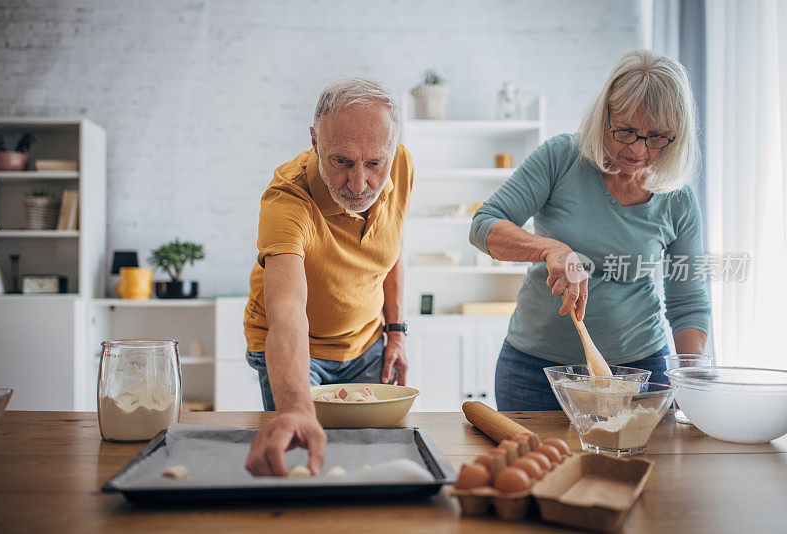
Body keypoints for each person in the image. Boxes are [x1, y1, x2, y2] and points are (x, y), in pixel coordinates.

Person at [469, 49, 711, 411]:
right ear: (604, 116)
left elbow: (688, 303)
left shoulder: (678, 201)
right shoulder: (562, 157)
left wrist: (692, 386)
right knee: (534, 468)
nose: (637, 150)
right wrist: (550, 249)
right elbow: (484, 225)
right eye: (626, 131)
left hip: (640, 372)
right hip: (535, 371)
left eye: (656, 137)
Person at [243, 78, 413, 476]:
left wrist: (397, 333)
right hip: (299, 347)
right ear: (315, 141)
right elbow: (285, 310)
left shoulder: (401, 162)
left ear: (392, 148)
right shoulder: (287, 201)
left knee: (367, 462)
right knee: (300, 460)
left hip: (367, 343)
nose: (359, 184)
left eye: (374, 164)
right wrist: (298, 408)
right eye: (341, 161)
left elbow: (390, 247)